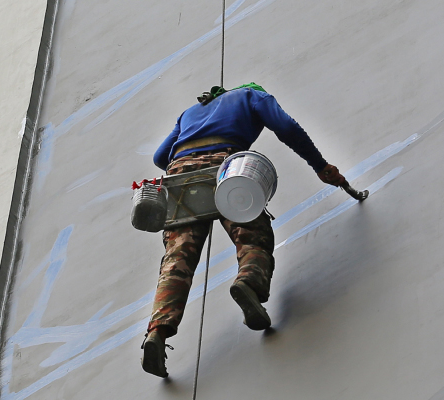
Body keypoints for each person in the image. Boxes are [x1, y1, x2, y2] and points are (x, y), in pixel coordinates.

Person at [141, 83, 347, 378]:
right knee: (254, 235)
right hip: (226, 167)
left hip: (180, 177)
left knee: (177, 260)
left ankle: (157, 333)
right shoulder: (252, 96)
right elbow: (285, 126)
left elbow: (161, 157)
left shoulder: (189, 113)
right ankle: (249, 284)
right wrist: (320, 165)